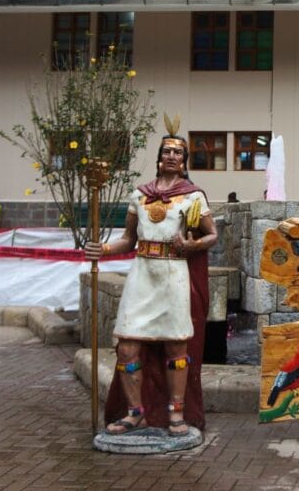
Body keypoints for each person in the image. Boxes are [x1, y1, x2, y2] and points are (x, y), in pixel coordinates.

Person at [85, 125, 218, 436]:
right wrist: (101, 249)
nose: (171, 156)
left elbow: (212, 234)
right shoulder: (140, 195)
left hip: (174, 274)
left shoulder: (192, 195)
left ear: (184, 160)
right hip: (143, 273)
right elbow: (128, 240)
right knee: (127, 347)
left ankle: (176, 413)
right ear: (159, 158)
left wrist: (192, 246)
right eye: (166, 151)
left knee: (175, 347)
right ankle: (135, 413)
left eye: (177, 152)